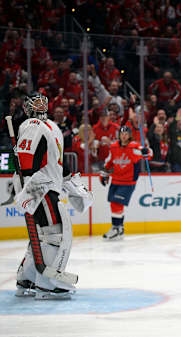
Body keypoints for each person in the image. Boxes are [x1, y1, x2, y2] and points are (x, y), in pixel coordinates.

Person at [14, 92, 92, 300]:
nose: (40, 105)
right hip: (42, 188)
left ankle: (28, 277)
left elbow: (56, 160)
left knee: (43, 236)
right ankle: (47, 284)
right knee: (55, 234)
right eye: (35, 102)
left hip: (49, 186)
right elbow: (26, 161)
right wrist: (31, 189)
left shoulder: (51, 127)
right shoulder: (32, 124)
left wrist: (70, 182)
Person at [100, 126, 152, 241]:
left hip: (128, 182)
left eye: (126, 134)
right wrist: (104, 174)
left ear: (129, 135)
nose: (124, 136)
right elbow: (108, 162)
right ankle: (120, 229)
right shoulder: (113, 147)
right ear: (119, 135)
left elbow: (149, 154)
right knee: (115, 204)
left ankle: (115, 228)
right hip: (115, 180)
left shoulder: (134, 147)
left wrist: (146, 151)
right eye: (122, 133)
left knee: (116, 203)